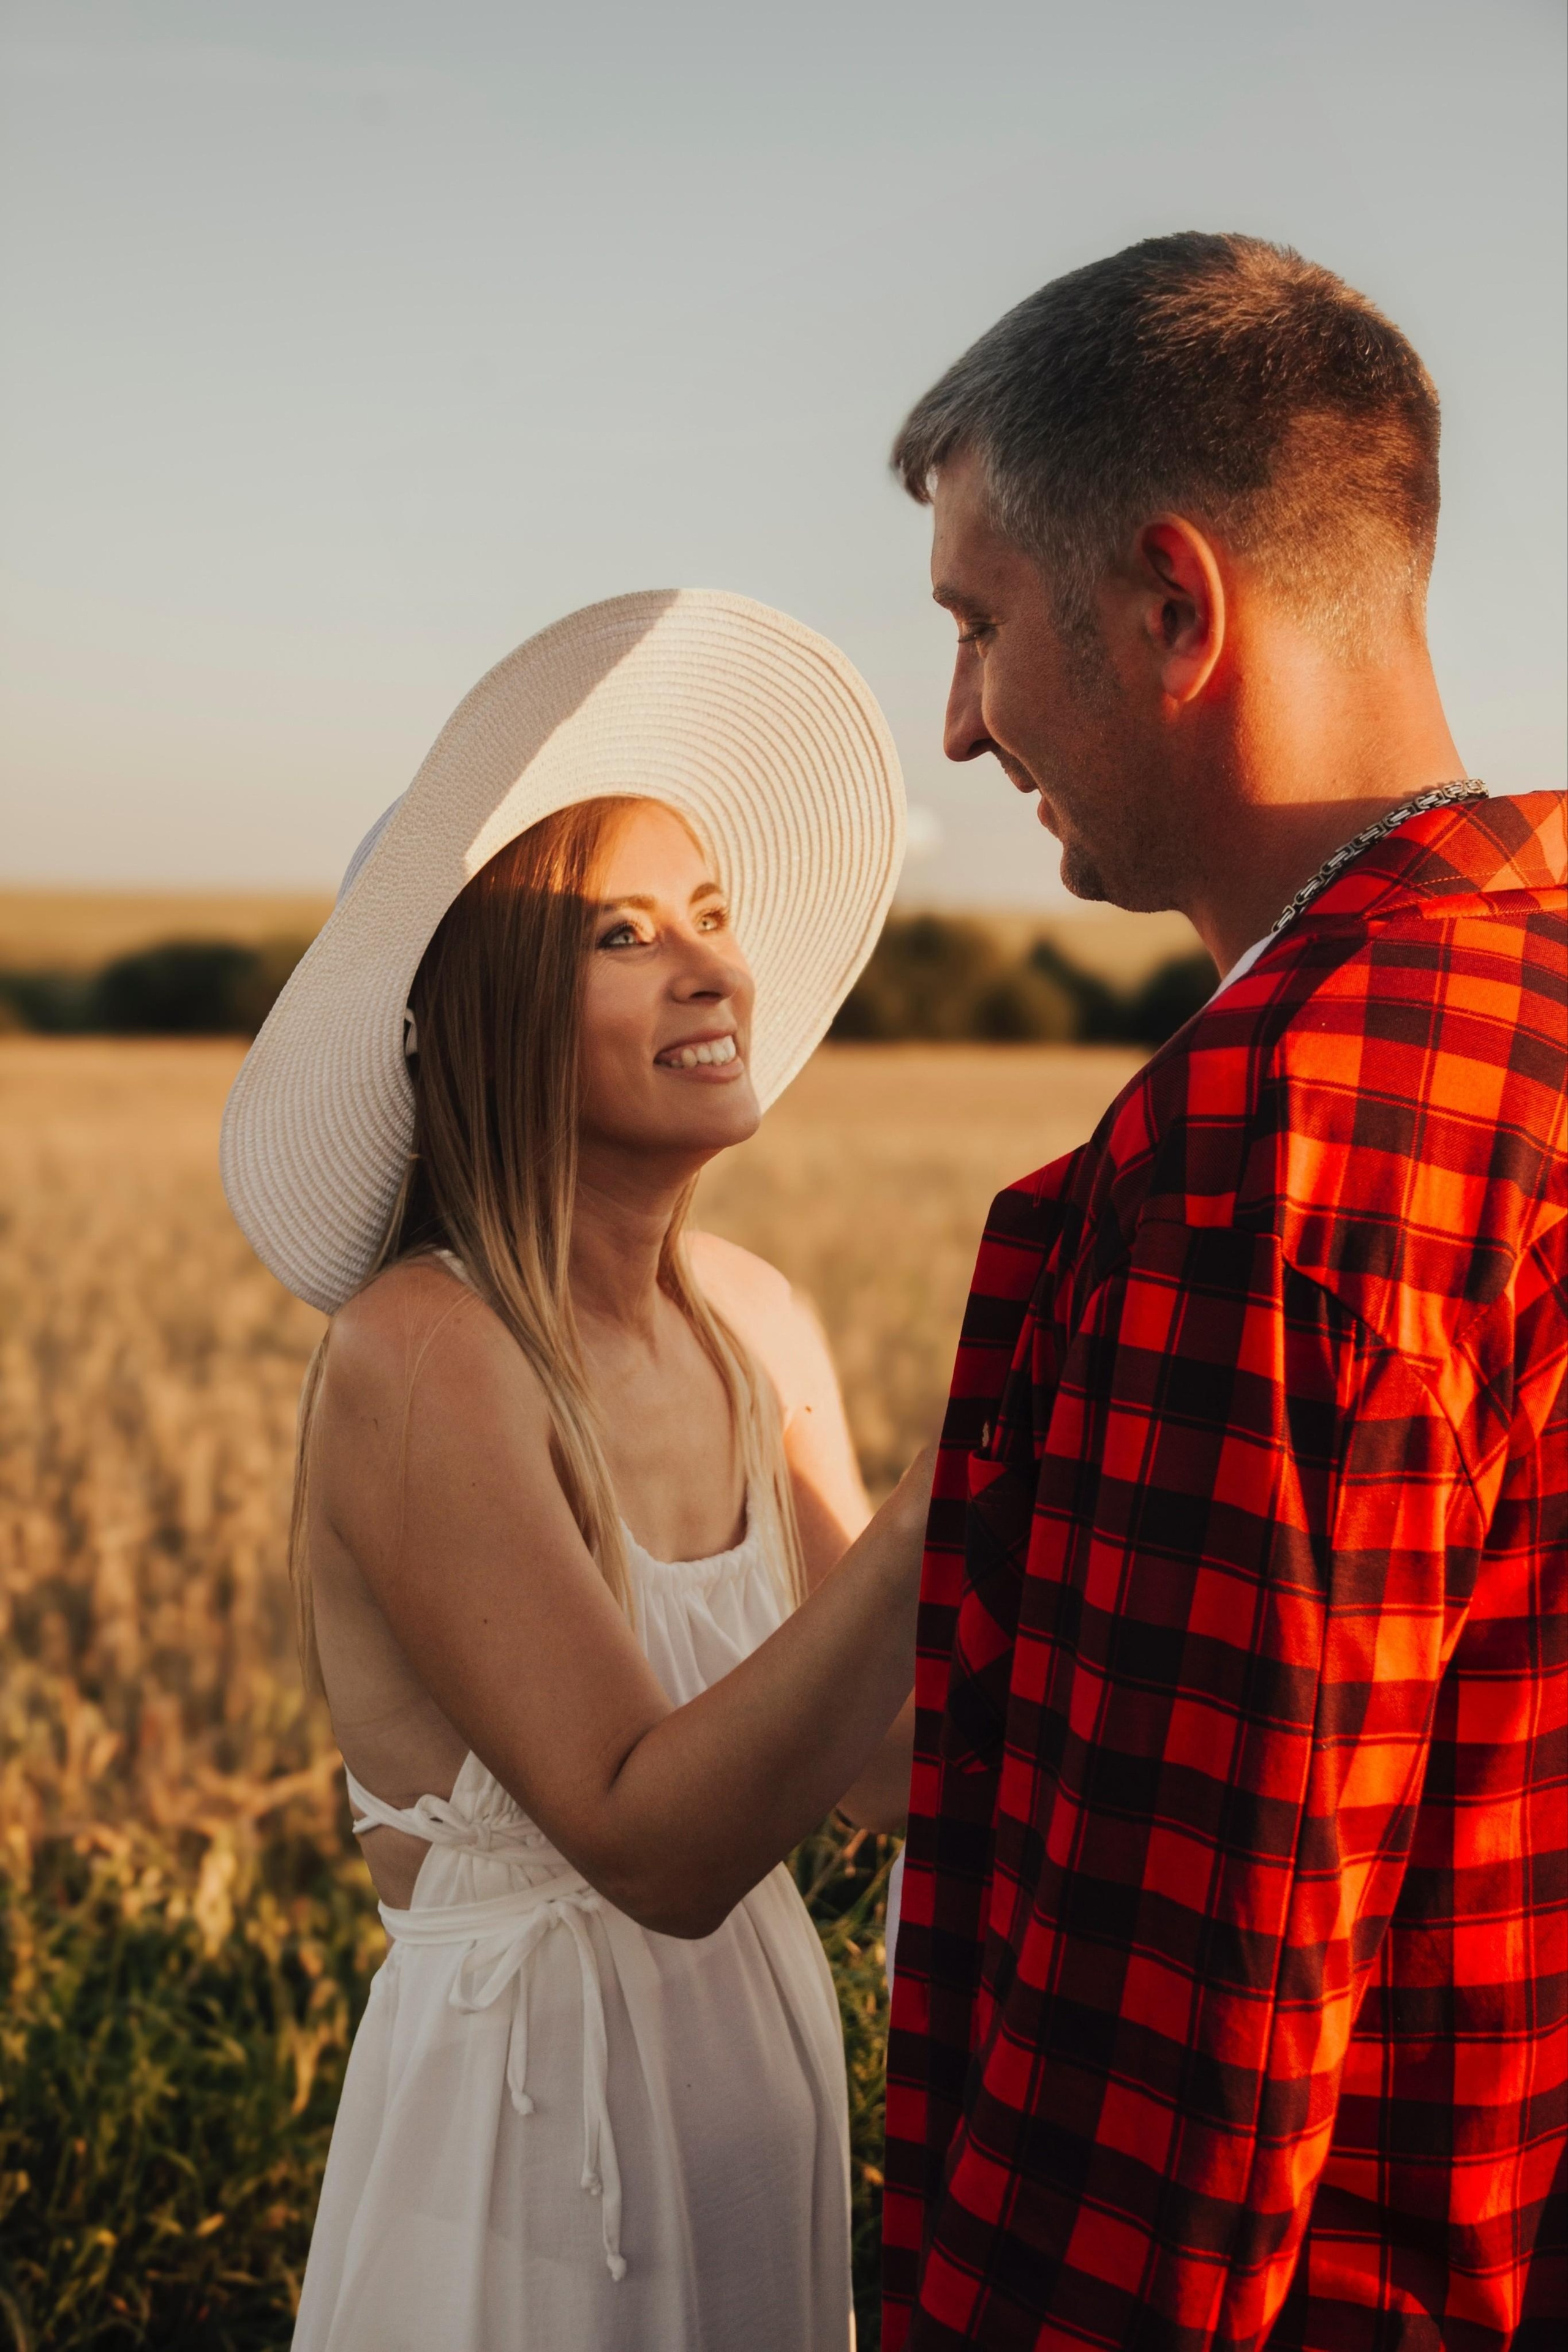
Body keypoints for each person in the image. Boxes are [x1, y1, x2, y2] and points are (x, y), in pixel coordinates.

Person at [880, 235, 1565, 2350]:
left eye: (982, 628)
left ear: (1177, 604)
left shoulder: (1275, 1155)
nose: (965, 726)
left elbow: (1176, 2054)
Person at [221, 589, 925, 2351]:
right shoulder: (424, 1353)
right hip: (528, 2178)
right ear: (493, 1008)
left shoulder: (756, 1322)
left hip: (756, 2109)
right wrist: (948, 1503)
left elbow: (898, 1773)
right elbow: (650, 1840)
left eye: (712, 913)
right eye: (625, 933)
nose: (715, 967)